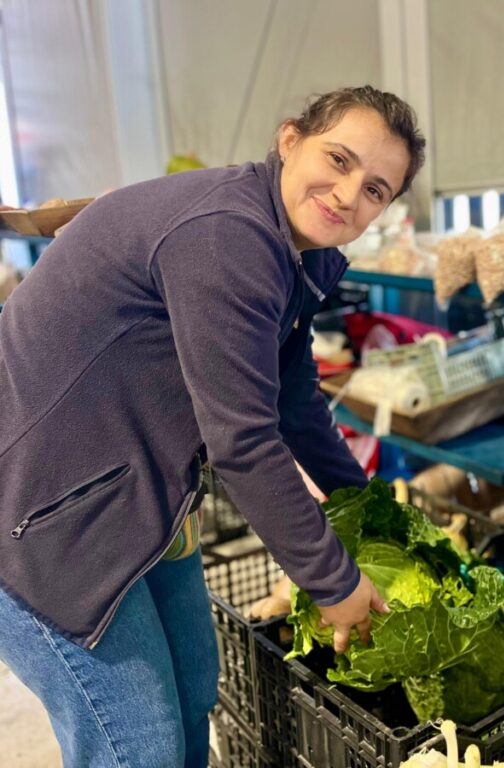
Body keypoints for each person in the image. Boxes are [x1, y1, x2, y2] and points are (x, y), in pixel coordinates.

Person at [0, 85, 426, 767]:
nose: (350, 194)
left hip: (138, 497)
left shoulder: (297, 250)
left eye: (376, 189)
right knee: (138, 748)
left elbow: (294, 407)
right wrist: (332, 581)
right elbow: (244, 440)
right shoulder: (228, 235)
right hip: (43, 517)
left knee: (195, 695)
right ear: (290, 140)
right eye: (338, 159)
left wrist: (369, 510)